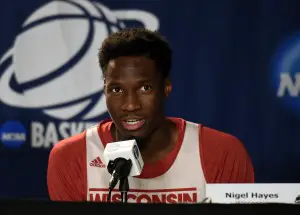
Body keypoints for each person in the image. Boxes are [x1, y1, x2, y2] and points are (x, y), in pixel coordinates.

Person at [47, 27, 254, 203]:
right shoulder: (71, 157)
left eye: (145, 88)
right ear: (104, 90)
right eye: (117, 90)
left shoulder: (222, 153)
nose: (130, 105)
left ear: (166, 88)